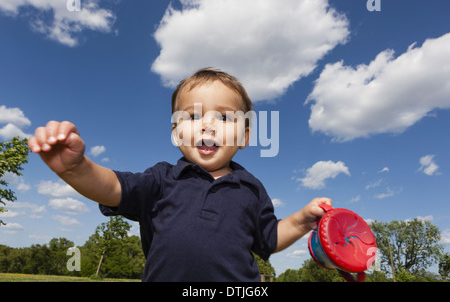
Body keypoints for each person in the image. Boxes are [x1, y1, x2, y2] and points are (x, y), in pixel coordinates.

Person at [28, 67, 332, 281]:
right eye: (193, 116)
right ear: (176, 133)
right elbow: (112, 188)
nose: (208, 125)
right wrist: (76, 168)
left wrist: (301, 220)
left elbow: (268, 239)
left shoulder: (251, 189)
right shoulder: (162, 179)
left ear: (245, 137)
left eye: (225, 117)